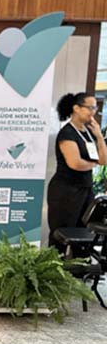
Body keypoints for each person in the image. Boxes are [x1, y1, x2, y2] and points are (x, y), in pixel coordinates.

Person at [47, 92, 107, 249]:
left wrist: (99, 136)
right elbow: (75, 163)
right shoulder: (67, 133)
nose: (93, 111)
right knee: (61, 234)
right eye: (90, 107)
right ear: (76, 108)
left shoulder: (89, 132)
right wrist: (93, 164)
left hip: (85, 190)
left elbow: (103, 160)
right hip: (66, 191)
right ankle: (55, 264)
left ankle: (80, 264)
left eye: (95, 108)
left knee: (84, 234)